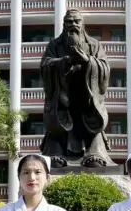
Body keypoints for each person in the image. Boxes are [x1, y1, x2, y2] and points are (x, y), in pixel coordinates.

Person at [39, 9, 116, 168]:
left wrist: (88, 61)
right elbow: (45, 65)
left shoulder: (94, 45)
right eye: (69, 21)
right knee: (58, 122)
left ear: (82, 24)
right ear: (64, 24)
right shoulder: (54, 45)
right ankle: (56, 153)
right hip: (63, 96)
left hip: (86, 96)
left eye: (76, 21)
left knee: (91, 119)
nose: (73, 24)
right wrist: (63, 61)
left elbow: (104, 67)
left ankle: (94, 153)